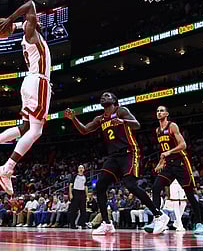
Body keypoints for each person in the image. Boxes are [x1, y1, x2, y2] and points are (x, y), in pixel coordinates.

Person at [0, 0, 51, 195]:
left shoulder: (29, 36)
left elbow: (26, 19)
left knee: (25, 127)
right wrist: (9, 20)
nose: (36, 21)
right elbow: (30, 5)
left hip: (29, 83)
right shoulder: (31, 34)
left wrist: (10, 25)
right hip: (38, 82)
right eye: (34, 21)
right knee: (36, 131)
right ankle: (6, 169)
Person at [64, 92, 165, 235]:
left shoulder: (121, 111)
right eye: (102, 96)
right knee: (100, 185)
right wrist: (73, 118)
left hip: (129, 152)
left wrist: (123, 122)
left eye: (107, 95)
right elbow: (85, 130)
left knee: (130, 185)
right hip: (113, 156)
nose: (103, 97)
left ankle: (159, 215)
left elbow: (137, 125)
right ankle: (107, 223)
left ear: (114, 100)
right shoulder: (100, 119)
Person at [147, 106, 203, 235]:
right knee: (156, 188)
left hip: (180, 163)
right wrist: (160, 163)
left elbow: (183, 145)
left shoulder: (172, 126)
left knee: (189, 194)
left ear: (167, 113)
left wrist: (169, 152)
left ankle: (200, 224)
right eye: (157, 111)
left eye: (162, 110)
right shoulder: (157, 131)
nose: (159, 112)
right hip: (168, 165)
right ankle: (157, 219)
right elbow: (164, 150)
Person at [68, 165, 88, 229]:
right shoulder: (74, 176)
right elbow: (70, 185)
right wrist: (70, 194)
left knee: (83, 210)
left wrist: (86, 195)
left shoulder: (85, 177)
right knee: (74, 210)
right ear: (78, 169)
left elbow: (86, 187)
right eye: (79, 168)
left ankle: (83, 224)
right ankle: (72, 224)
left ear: (84, 169)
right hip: (75, 192)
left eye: (82, 168)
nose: (81, 169)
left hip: (82, 193)